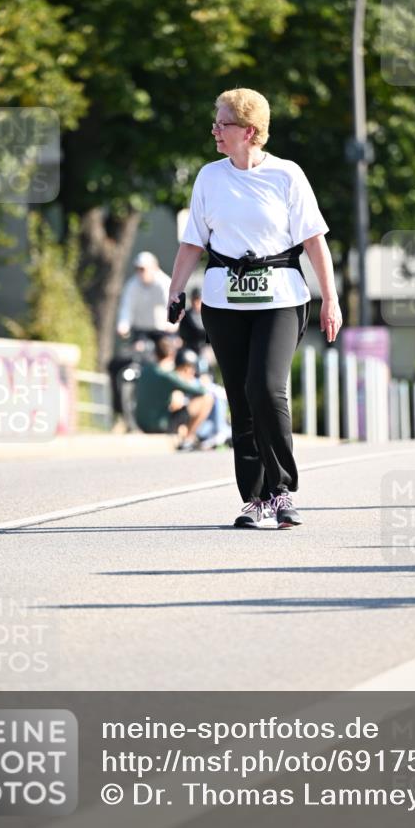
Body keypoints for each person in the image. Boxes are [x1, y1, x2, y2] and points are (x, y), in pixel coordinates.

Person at [167, 88, 342, 529]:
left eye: (222, 124)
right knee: (241, 400)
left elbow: (313, 241)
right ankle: (255, 498)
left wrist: (331, 299)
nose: (214, 131)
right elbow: (193, 242)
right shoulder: (209, 177)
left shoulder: (287, 176)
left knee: (266, 388)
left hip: (282, 298)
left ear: (249, 131)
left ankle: (282, 491)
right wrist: (174, 291)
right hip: (224, 301)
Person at [108, 251, 177, 427]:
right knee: (117, 363)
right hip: (141, 332)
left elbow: (171, 306)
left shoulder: (164, 284)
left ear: (154, 268)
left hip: (162, 332)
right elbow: (126, 309)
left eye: (143, 269)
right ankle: (120, 413)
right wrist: (123, 326)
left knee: (167, 364)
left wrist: (171, 324)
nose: (140, 273)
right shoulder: (133, 285)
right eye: (138, 269)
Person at [133, 335, 214, 449]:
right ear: (172, 355)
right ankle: (188, 439)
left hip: (141, 423)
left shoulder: (145, 370)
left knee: (175, 399)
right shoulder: (167, 375)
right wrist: (200, 382)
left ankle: (185, 434)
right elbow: (200, 391)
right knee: (207, 398)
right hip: (161, 425)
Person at [173, 347, 232, 451]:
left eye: (191, 368)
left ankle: (220, 432)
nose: (190, 371)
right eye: (187, 367)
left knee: (213, 396)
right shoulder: (175, 380)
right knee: (207, 398)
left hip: (203, 423)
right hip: (180, 421)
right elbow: (175, 403)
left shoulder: (196, 382)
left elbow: (222, 394)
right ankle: (195, 438)